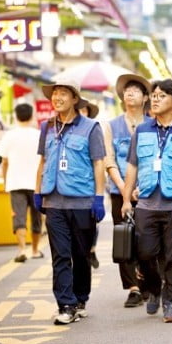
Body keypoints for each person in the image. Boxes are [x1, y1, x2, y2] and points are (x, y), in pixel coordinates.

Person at [121, 79, 172, 323]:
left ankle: (171, 303)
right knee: (146, 254)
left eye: (161, 96)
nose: (155, 99)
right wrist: (127, 198)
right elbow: (132, 166)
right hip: (146, 202)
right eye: (154, 95)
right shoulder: (143, 130)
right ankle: (154, 290)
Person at [34, 78, 106, 325]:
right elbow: (43, 162)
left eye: (63, 93)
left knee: (81, 254)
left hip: (82, 202)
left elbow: (98, 163)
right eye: (55, 94)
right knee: (60, 255)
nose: (57, 98)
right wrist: (37, 192)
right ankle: (65, 304)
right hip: (54, 202)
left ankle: (80, 297)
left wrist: (98, 198)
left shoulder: (90, 127)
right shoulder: (47, 127)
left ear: (75, 99)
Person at [104, 74, 151, 307]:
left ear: (145, 98)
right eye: (126, 90)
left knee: (149, 239)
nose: (129, 93)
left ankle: (148, 279)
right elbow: (109, 161)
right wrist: (125, 190)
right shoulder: (111, 126)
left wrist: (142, 187)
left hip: (149, 190)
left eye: (135, 90)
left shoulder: (153, 124)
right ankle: (132, 287)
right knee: (124, 238)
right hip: (119, 190)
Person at [0, 104, 43, 263]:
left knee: (19, 217)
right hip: (36, 183)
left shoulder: (9, 136)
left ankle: (22, 250)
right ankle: (35, 250)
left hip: (15, 182)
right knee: (36, 217)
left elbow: (4, 162)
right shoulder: (39, 135)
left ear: (16, 116)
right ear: (31, 116)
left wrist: (5, 181)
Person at [78, 100, 101, 269]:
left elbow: (99, 163)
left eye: (84, 110)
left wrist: (99, 195)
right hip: (74, 191)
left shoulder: (93, 129)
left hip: (90, 188)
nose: (82, 112)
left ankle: (91, 249)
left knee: (93, 223)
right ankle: (87, 252)